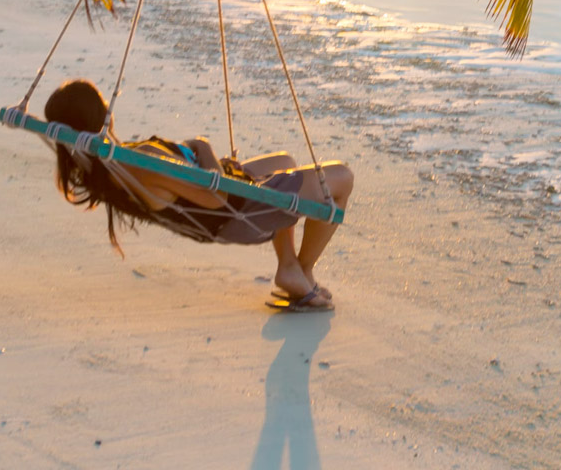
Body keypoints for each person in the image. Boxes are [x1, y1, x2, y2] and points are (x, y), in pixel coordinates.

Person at [42, 79, 353, 312]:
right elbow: (216, 199)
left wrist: (204, 157)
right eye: (103, 102)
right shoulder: (142, 164)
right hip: (238, 213)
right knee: (341, 178)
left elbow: (196, 183)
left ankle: (288, 267)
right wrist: (203, 146)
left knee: (284, 162)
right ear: (100, 114)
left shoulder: (109, 166)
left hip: (219, 207)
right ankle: (305, 270)